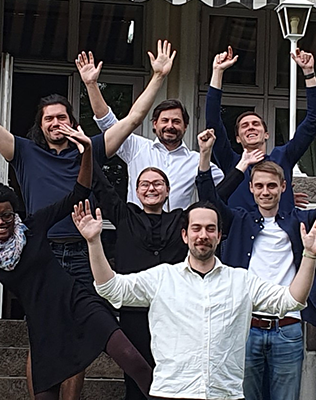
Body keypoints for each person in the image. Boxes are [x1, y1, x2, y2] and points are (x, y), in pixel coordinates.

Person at [0, 42, 174, 398]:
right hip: (42, 253)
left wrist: (158, 77)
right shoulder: (24, 152)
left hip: (87, 254)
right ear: (40, 125)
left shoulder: (91, 148)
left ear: (72, 122)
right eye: (49, 118)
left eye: (62, 117)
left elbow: (132, 120)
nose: (56, 123)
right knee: (43, 334)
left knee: (86, 330)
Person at [0, 128, 151, 400]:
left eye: (6, 215)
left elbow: (78, 192)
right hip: (43, 324)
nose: (1, 222)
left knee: (133, 359)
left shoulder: (34, 226)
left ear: (15, 214)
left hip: (79, 303)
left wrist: (88, 153)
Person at [72, 197, 316, 400]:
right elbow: (111, 288)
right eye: (196, 228)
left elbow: (293, 300)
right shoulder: (162, 277)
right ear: (185, 235)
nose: (203, 235)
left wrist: (310, 255)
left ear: (220, 236)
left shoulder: (241, 281)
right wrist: (94, 242)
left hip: (224, 394)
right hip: (172, 393)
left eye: (211, 229)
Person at [195, 129, 316, 400]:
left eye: (272, 186)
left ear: (283, 187)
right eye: (259, 186)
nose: (265, 192)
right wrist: (205, 156)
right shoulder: (238, 220)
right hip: (245, 327)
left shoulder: (299, 221)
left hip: (288, 329)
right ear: (250, 188)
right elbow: (208, 202)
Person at [90, 136, 263, 400]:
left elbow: (214, 200)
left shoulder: (181, 220)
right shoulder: (125, 215)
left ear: (168, 190)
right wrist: (87, 150)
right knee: (135, 378)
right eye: (145, 184)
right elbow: (100, 185)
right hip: (134, 310)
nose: (151, 188)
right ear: (136, 191)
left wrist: (240, 166)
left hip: (176, 313)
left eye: (158, 183)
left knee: (175, 379)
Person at [78, 51, 224, 211]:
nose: (170, 126)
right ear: (154, 124)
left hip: (176, 232)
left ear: (185, 126)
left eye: (176, 121)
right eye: (165, 121)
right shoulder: (137, 147)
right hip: (138, 229)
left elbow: (220, 189)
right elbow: (108, 123)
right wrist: (91, 85)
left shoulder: (196, 160)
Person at [206, 46, 316, 212]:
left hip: (279, 235)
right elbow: (213, 122)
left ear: (266, 134)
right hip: (240, 235)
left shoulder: (283, 157)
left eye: (256, 124)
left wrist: (309, 73)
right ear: (238, 138)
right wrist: (217, 72)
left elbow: (314, 119)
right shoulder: (231, 162)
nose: (250, 128)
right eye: (244, 126)